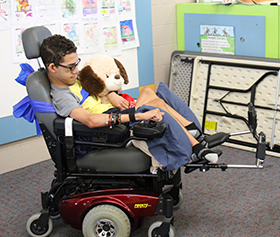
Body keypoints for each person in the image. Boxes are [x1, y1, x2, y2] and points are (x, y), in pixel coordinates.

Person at [40, 34, 218, 164]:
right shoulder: (62, 96)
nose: (76, 71)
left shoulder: (75, 79)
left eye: (77, 64)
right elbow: (91, 120)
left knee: (150, 92)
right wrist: (136, 116)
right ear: (53, 67)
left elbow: (96, 90)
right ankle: (195, 145)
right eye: (71, 67)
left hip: (114, 113)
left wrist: (110, 94)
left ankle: (192, 133)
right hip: (107, 130)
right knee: (153, 109)